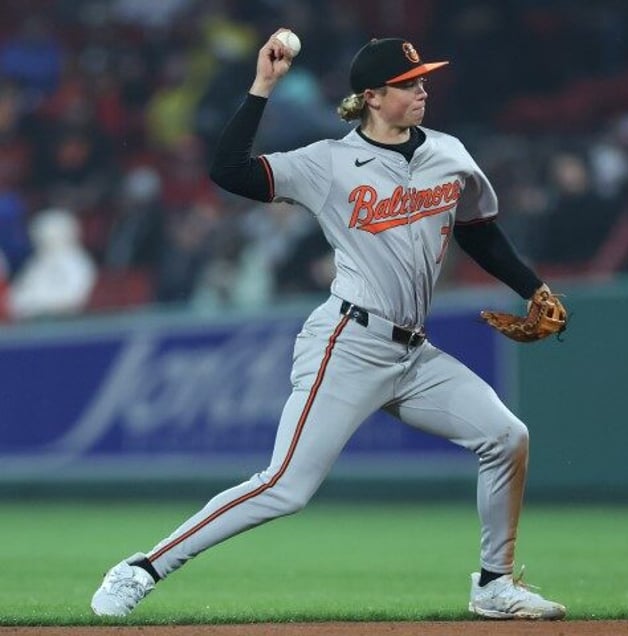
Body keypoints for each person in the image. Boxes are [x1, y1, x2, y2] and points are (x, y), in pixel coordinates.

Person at [91, 29, 567, 621]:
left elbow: (477, 231)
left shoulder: (449, 152)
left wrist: (534, 288)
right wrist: (263, 85)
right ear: (371, 95)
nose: (422, 90)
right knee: (285, 486)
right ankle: (142, 567)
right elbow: (229, 170)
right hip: (348, 344)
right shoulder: (328, 163)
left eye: (423, 80)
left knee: (505, 437)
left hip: (413, 354)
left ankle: (494, 585)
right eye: (407, 83)